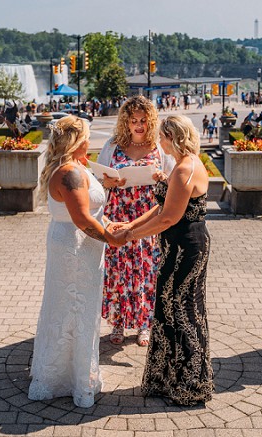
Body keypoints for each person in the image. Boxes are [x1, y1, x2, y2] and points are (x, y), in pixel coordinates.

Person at [111, 115, 214, 406]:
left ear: (173, 137)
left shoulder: (184, 169)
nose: (159, 142)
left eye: (162, 137)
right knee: (168, 307)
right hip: (178, 245)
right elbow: (161, 208)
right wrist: (129, 227)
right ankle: (168, 379)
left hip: (186, 247)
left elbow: (168, 218)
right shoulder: (185, 163)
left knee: (181, 310)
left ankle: (189, 384)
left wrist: (130, 237)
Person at [28, 116, 125, 408]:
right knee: (73, 308)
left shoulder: (77, 167)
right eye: (87, 136)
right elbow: (82, 219)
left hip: (81, 244)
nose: (90, 140)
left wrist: (108, 222)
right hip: (74, 247)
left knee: (77, 308)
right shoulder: (69, 173)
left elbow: (91, 212)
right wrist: (112, 238)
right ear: (75, 140)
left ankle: (73, 372)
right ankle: (73, 380)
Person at [97, 96, 174, 347]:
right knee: (118, 270)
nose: (138, 125)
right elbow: (97, 177)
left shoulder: (159, 147)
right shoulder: (113, 145)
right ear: (126, 122)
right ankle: (118, 322)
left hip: (147, 218)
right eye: (133, 121)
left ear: (150, 121)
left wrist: (162, 178)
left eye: (143, 120)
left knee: (146, 271)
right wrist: (106, 182)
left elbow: (175, 182)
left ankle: (144, 324)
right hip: (118, 216)